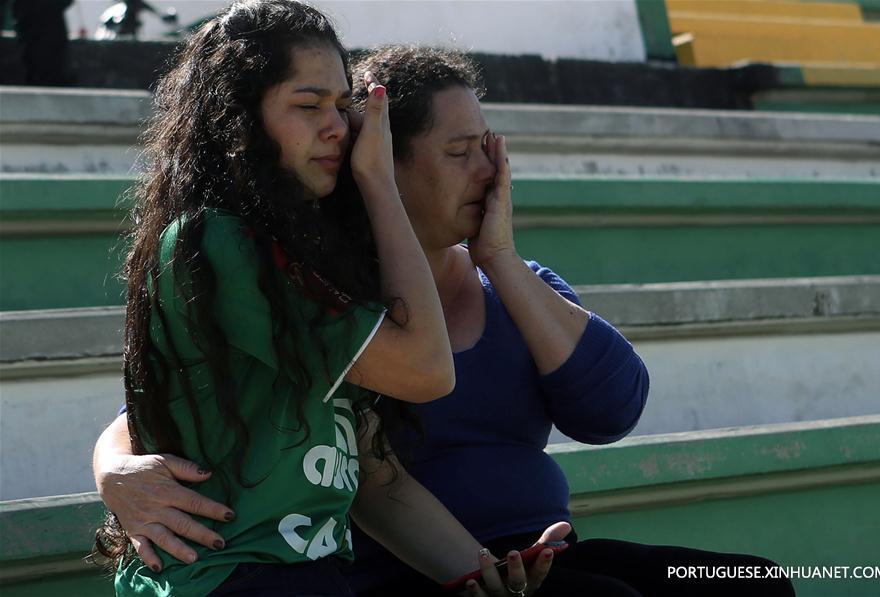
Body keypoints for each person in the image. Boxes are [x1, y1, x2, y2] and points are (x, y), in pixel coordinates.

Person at [94, 40, 794, 596]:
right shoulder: (310, 284)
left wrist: (502, 259)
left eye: (489, 146)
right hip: (393, 573)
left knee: (751, 582)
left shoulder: (513, 283)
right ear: (383, 165)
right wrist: (111, 467)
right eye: (461, 152)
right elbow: (178, 398)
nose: (488, 170)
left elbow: (612, 410)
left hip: (534, 554)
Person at [92, 3, 568, 596]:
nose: (338, 127)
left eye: (344, 107)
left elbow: (372, 471)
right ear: (236, 119)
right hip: (232, 577)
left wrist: (482, 573)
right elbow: (427, 369)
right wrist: (379, 183)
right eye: (307, 105)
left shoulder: (295, 256)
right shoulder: (215, 240)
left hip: (308, 575)